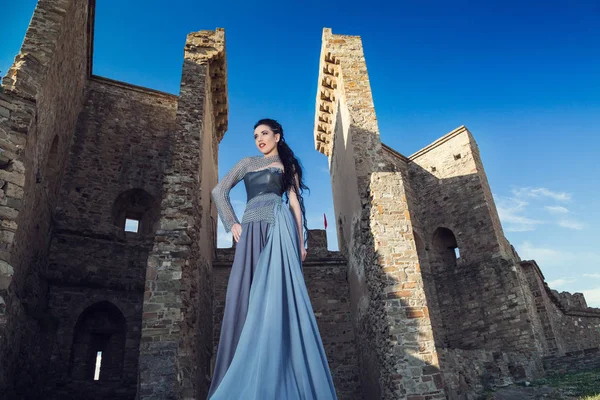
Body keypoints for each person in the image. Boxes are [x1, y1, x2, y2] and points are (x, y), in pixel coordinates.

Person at [207, 119, 338, 399]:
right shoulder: (247, 162)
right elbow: (219, 191)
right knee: (241, 294)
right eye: (256, 135)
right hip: (250, 229)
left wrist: (301, 241)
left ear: (277, 136)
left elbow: (294, 204)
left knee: (277, 295)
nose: (259, 139)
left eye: (265, 134)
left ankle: (280, 371)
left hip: (279, 230)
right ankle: (242, 371)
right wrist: (231, 223)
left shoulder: (288, 166)